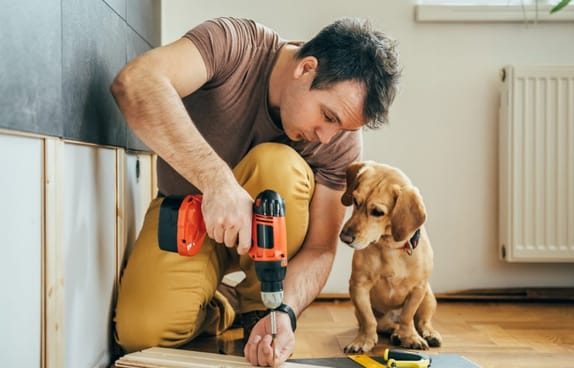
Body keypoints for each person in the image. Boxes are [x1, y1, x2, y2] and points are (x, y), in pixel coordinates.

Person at [110, 16, 401, 367]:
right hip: (187, 212)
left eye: (340, 127)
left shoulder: (339, 140)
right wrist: (218, 182)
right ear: (306, 68)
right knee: (142, 333)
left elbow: (321, 248)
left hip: (269, 253)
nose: (326, 136)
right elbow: (136, 82)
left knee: (277, 163)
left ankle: (260, 308)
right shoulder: (234, 44)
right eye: (327, 115)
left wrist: (287, 312)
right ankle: (223, 304)